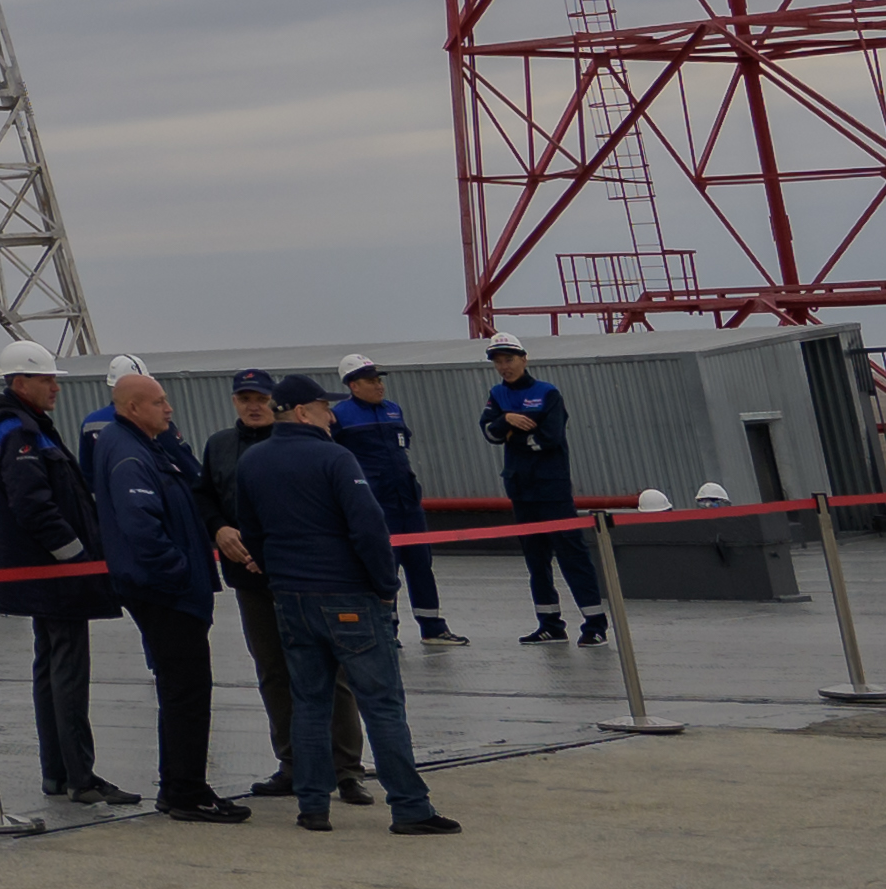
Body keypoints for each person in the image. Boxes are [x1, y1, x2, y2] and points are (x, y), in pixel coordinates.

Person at [217, 373, 461, 835]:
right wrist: (385, 584)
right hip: (346, 595)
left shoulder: (253, 462)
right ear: (305, 412)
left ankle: (312, 806)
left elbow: (253, 530)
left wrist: (279, 579)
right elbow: (367, 526)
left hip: (290, 598)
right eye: (325, 408)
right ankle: (410, 807)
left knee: (309, 702)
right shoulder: (334, 457)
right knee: (382, 703)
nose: (333, 415)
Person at [79, 368, 242, 821]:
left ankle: (179, 786)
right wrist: (180, 570)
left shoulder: (141, 445)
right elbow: (140, 524)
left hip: (165, 589)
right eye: (159, 402)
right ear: (133, 408)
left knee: (179, 689)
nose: (169, 409)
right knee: (187, 690)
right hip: (166, 592)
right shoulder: (128, 452)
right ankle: (188, 792)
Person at [0, 348, 120, 807]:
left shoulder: (15, 426)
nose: (56, 387)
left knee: (49, 669)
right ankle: (82, 778)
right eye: (46, 380)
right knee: (68, 673)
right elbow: (33, 505)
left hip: (39, 576)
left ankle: (58, 774)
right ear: (20, 383)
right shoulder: (21, 432)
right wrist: (76, 557)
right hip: (55, 578)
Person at [207, 381, 316, 803]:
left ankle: (343, 766)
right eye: (245, 400)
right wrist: (219, 529)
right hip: (250, 580)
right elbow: (205, 498)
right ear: (234, 401)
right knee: (273, 670)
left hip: (301, 576)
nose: (254, 407)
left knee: (324, 670)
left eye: (261, 399)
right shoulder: (219, 446)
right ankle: (291, 763)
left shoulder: (297, 443)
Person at [478, 341, 606, 642]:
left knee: (572, 556)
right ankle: (550, 624)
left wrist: (513, 438)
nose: (504, 367)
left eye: (509, 359)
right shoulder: (497, 395)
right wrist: (507, 420)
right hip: (521, 489)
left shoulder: (547, 393)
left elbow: (549, 438)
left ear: (524, 359)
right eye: (498, 362)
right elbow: (488, 432)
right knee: (536, 560)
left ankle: (595, 625)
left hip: (552, 489)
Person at [328, 361, 449, 635]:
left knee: (421, 563)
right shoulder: (340, 416)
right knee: (384, 566)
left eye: (379, 380)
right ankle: (387, 629)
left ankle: (433, 627)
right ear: (353, 385)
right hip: (376, 503)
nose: (379, 385)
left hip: (407, 499)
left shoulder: (393, 409)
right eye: (371, 381)